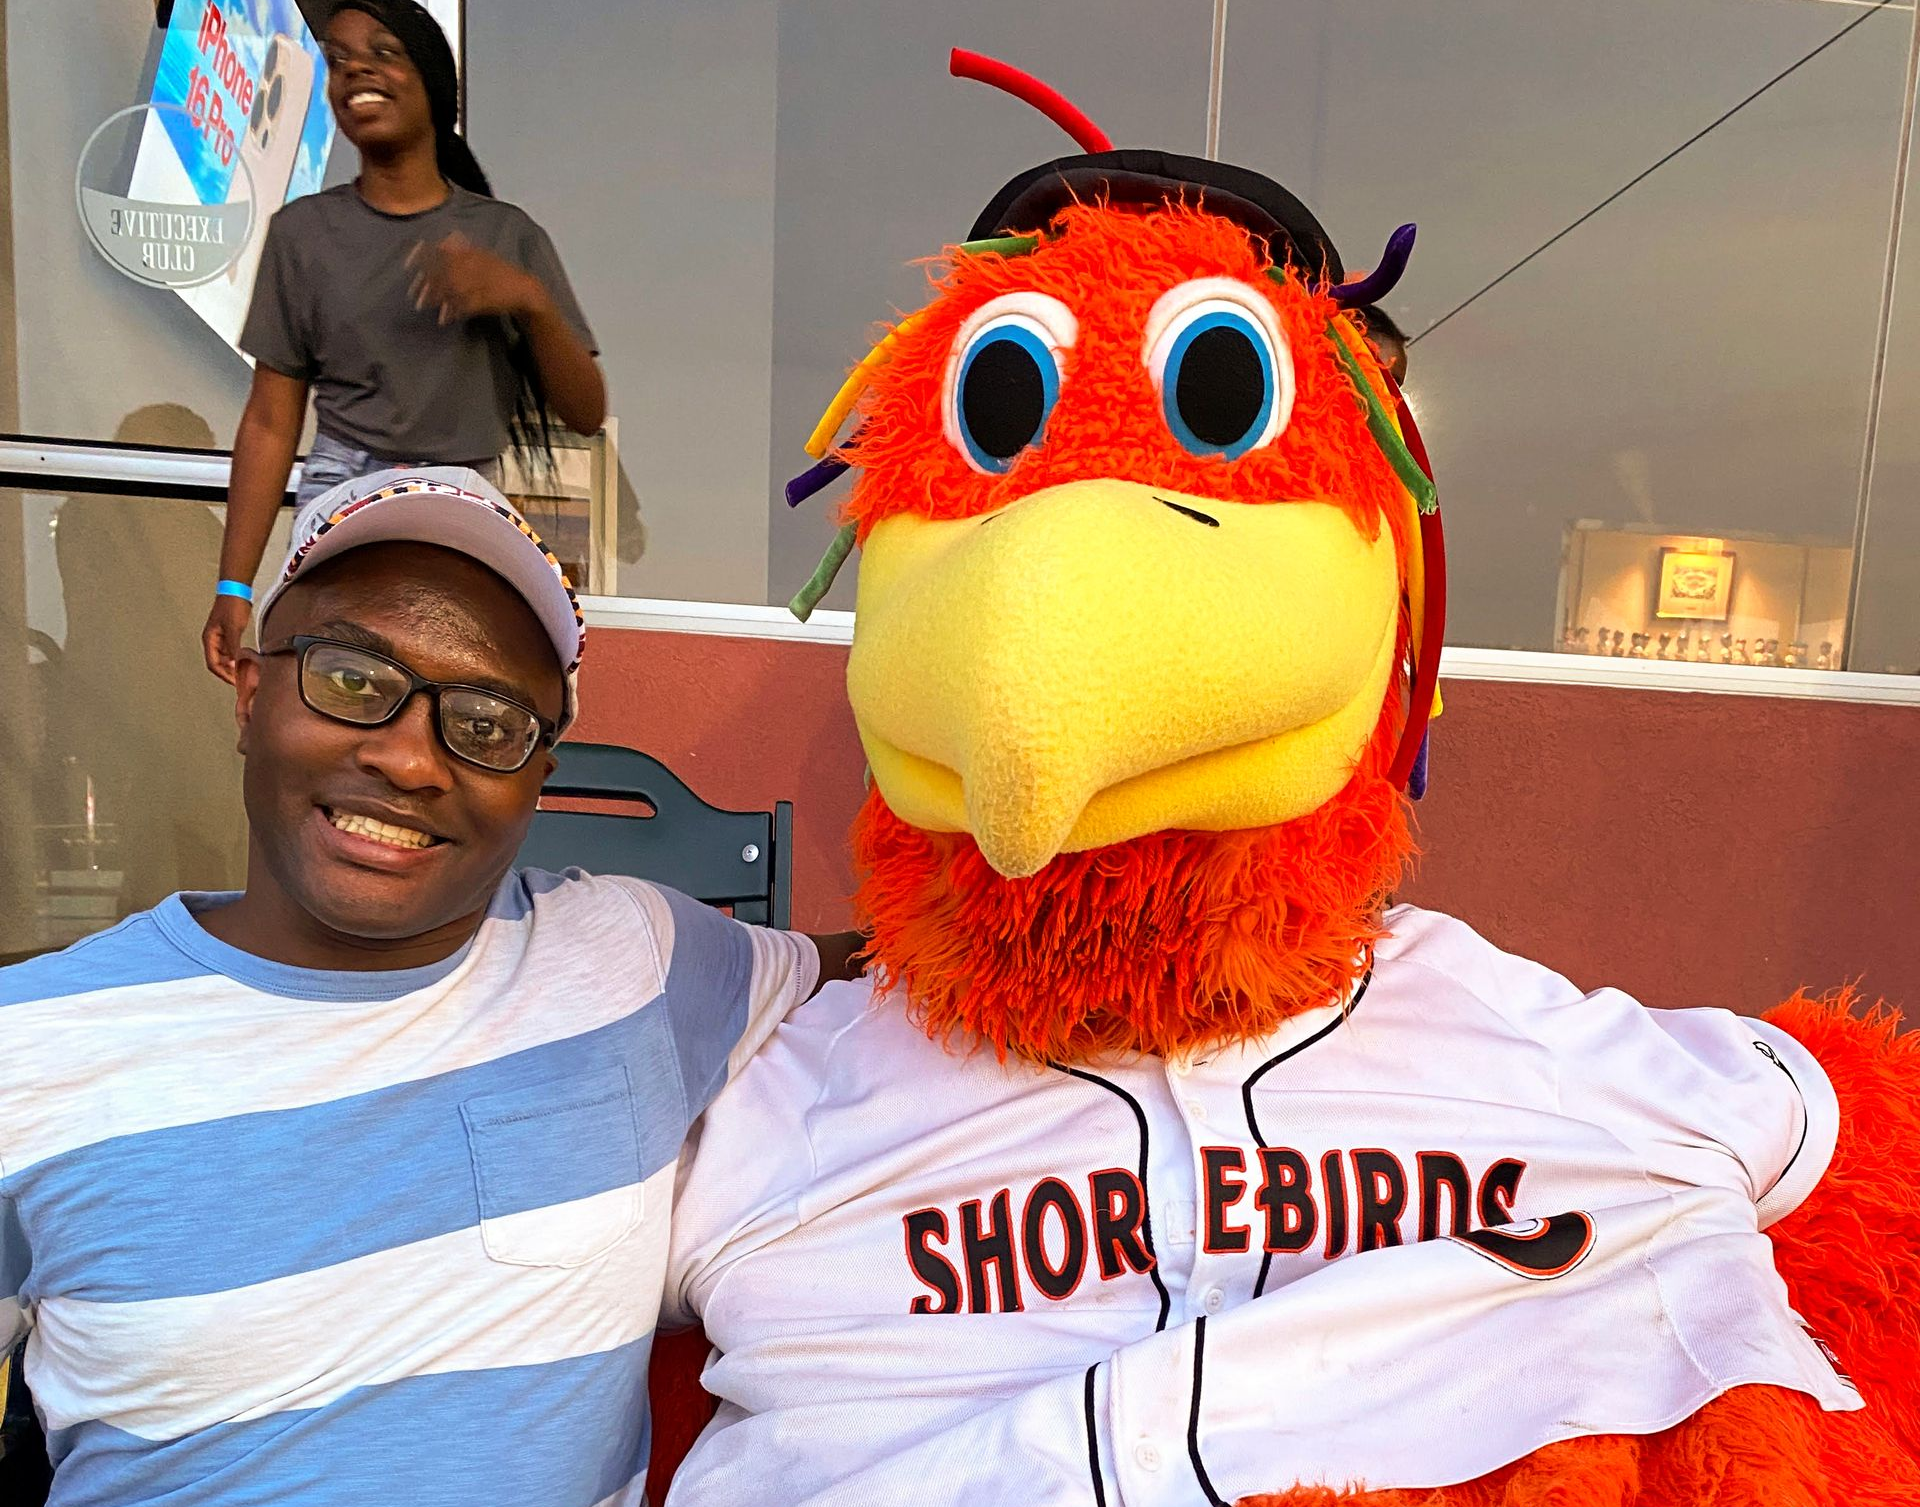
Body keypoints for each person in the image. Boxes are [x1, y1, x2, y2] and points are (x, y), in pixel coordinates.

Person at [3, 468, 861, 1505]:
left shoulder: (635, 957)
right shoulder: (34, 1046)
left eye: (489, 724)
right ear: (251, 691)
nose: (412, 759)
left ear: (538, 778)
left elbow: (875, 961)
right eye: (355, 680)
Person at [202, 0, 606, 683]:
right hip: (341, 493)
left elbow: (586, 413)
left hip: (464, 495)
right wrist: (234, 587)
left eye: (384, 51)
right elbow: (271, 423)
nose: (356, 68)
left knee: (455, 699)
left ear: (432, 82)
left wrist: (527, 299)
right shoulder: (303, 235)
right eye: (337, 59)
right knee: (332, 696)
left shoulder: (507, 237)